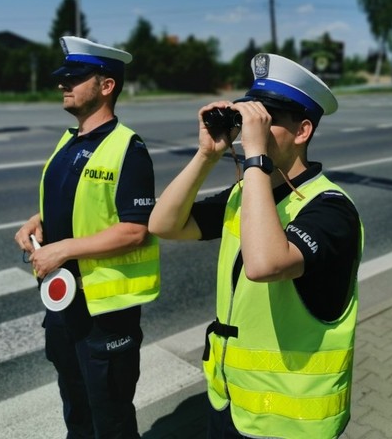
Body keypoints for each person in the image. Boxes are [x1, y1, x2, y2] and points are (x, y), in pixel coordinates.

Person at [148, 53, 363, 438]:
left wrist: (256, 158)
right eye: (248, 122)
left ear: (302, 131)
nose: (253, 133)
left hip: (290, 421)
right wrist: (207, 155)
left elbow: (264, 265)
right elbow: (163, 224)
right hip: (230, 402)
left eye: (266, 122)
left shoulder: (331, 210)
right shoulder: (247, 194)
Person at [14, 36, 159, 439]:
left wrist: (62, 249)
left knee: (110, 417)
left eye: (75, 78)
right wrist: (36, 221)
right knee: (76, 410)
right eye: (63, 77)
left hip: (105, 313)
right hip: (64, 305)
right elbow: (74, 199)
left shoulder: (127, 148)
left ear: (106, 85)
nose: (64, 84)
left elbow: (135, 228)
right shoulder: (69, 140)